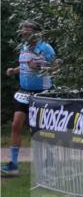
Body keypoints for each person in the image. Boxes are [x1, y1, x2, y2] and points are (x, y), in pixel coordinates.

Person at [3, 20, 57, 177]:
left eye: (27, 30)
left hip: (42, 93)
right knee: (15, 125)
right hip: (24, 92)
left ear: (36, 32)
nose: (24, 32)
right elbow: (26, 65)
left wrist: (39, 67)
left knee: (42, 130)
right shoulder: (24, 47)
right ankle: (13, 165)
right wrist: (15, 70)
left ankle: (50, 162)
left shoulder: (45, 48)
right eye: (23, 30)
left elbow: (56, 67)